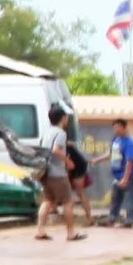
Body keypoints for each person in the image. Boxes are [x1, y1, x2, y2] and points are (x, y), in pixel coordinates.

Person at [34, 103, 85, 243]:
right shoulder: (61, 133)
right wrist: (67, 162)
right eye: (65, 117)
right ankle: (71, 233)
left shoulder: (47, 132)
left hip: (45, 173)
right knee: (68, 202)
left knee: (48, 200)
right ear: (62, 118)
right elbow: (56, 150)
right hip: (57, 173)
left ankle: (40, 230)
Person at [108, 122, 133, 229]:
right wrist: (96, 160)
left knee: (129, 197)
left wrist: (126, 178)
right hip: (117, 174)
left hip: (128, 174)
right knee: (116, 196)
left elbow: (130, 161)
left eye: (118, 128)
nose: (116, 130)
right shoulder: (116, 140)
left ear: (124, 128)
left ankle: (130, 220)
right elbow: (112, 154)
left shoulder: (129, 143)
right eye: (115, 128)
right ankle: (112, 218)